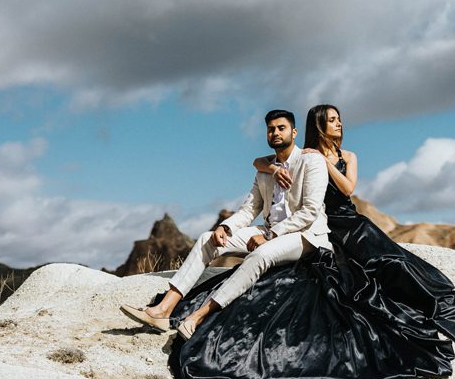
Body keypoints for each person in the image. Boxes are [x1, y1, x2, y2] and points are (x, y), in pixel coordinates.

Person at [162, 104, 455, 379]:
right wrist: (270, 165)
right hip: (320, 226)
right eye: (331, 120)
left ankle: (426, 302)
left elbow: (346, 190)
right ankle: (171, 304)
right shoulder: (300, 157)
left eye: (338, 119)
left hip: (344, 220)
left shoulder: (338, 155)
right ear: (317, 126)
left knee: (390, 262)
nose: (339, 123)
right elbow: (264, 166)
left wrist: (318, 162)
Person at [119, 109, 332, 340]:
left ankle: (197, 318)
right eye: (271, 129)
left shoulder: (311, 161)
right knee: (206, 239)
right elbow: (249, 209)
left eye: (281, 128)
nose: (276, 133)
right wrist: (225, 228)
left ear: (294, 131)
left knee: (260, 255)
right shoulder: (265, 170)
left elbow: (310, 211)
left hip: (306, 235)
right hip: (269, 228)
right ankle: (163, 310)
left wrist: (270, 235)